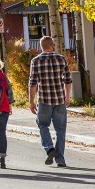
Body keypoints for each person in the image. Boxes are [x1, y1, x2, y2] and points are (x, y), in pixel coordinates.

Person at [29, 35, 72, 167]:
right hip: (59, 99)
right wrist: (67, 96)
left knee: (42, 125)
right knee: (60, 129)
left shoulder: (36, 61)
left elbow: (33, 83)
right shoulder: (61, 59)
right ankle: (60, 159)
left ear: (41, 47)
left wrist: (31, 101)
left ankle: (49, 148)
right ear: (52, 45)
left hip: (44, 100)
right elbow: (68, 80)